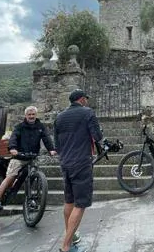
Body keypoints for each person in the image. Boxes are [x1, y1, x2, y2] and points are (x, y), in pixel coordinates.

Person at [53, 89, 103, 252]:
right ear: (82, 100)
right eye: (86, 99)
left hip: (65, 162)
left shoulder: (59, 117)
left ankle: (71, 239)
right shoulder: (87, 112)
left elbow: (57, 144)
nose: (87, 102)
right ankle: (66, 246)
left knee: (69, 201)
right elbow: (97, 136)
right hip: (81, 162)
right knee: (80, 204)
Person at [0, 106, 57, 211]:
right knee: (11, 177)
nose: (31, 116)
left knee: (33, 178)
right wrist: (12, 148)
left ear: (36, 115)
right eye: (29, 114)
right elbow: (14, 137)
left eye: (33, 114)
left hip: (32, 157)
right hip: (19, 156)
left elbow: (46, 138)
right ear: (26, 115)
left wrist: (51, 149)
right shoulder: (19, 126)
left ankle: (30, 200)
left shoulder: (40, 127)